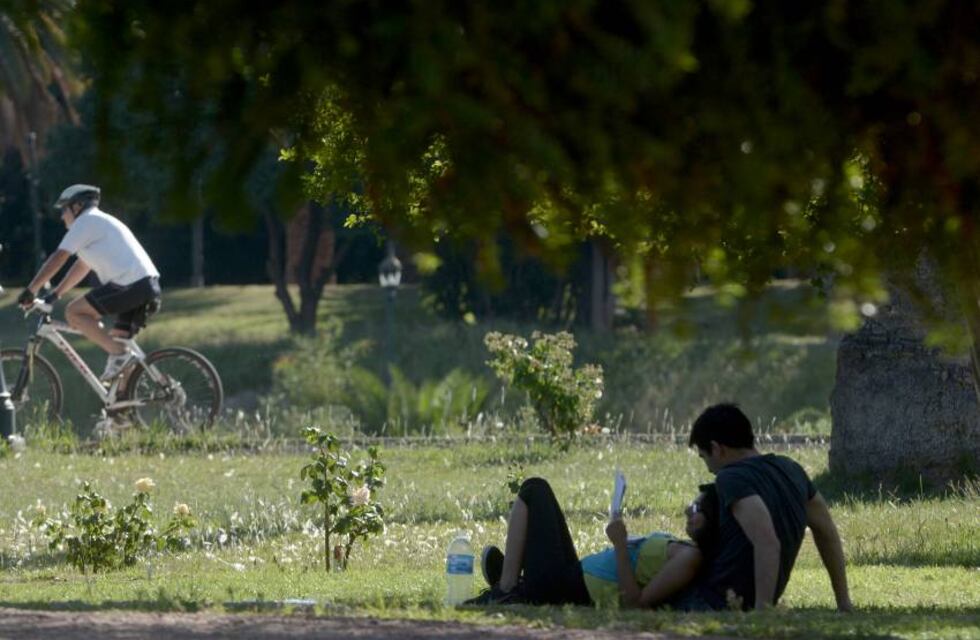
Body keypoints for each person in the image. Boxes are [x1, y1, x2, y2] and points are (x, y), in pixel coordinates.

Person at [674, 403, 853, 612]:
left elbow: (767, 542)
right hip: (741, 600)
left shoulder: (730, 477)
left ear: (716, 448)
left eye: (705, 457)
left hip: (714, 601)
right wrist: (844, 602)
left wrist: (762, 613)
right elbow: (827, 531)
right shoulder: (792, 470)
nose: (709, 469)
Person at [465, 476, 721, 608]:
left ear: (712, 518)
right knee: (535, 490)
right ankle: (517, 583)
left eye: (696, 507)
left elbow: (636, 604)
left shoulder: (691, 558)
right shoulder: (686, 549)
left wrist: (620, 545)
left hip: (568, 589)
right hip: (574, 574)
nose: (688, 510)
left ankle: (507, 589)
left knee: (534, 489)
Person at [17, 184, 161, 380]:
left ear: (77, 206)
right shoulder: (99, 222)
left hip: (130, 285)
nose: (62, 217)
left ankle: (120, 356)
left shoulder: (85, 222)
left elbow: (59, 257)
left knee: (74, 312)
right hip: (145, 285)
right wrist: (55, 294)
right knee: (119, 343)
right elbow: (82, 266)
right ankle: (123, 406)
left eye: (64, 210)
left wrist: (31, 290)